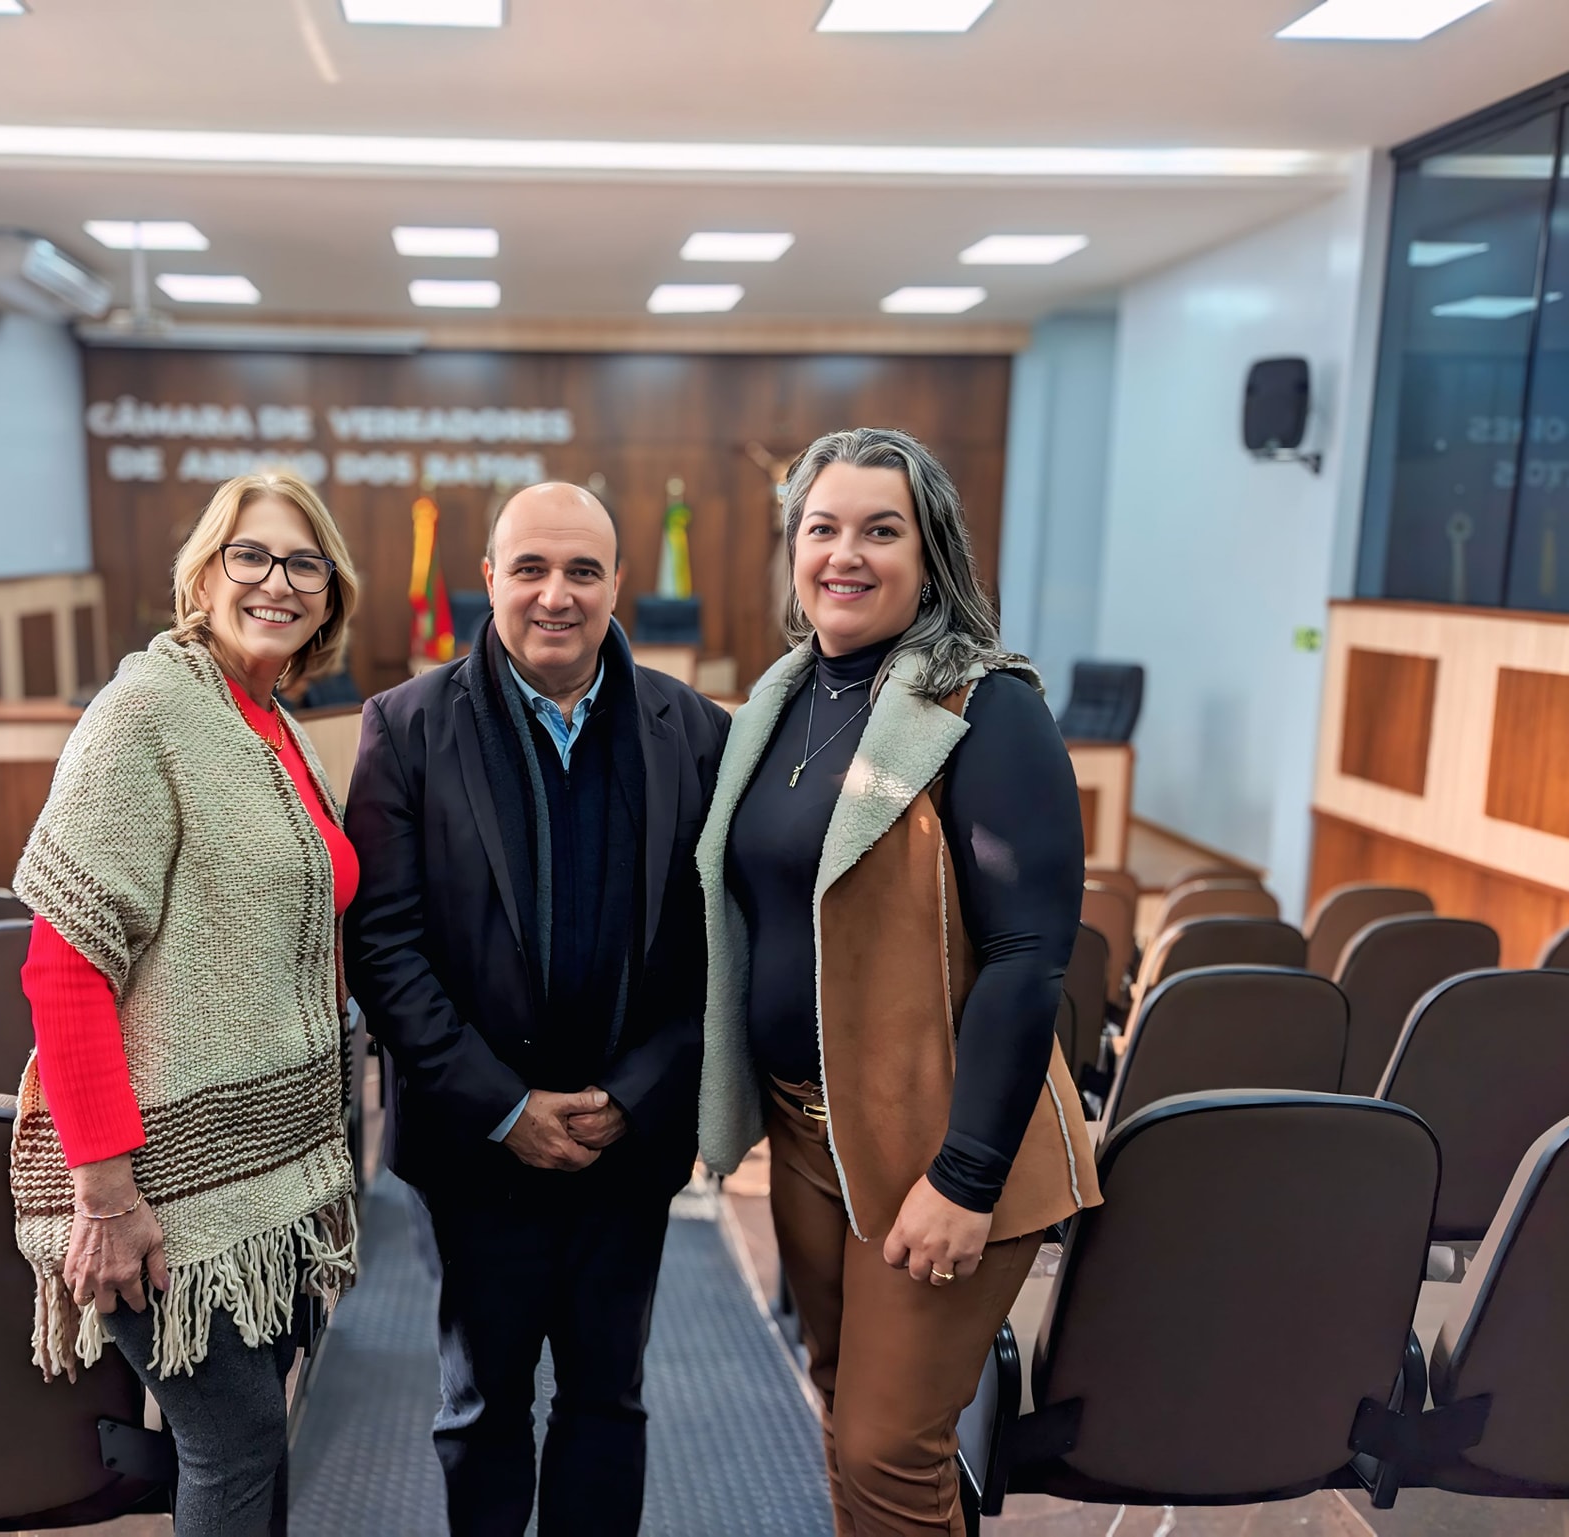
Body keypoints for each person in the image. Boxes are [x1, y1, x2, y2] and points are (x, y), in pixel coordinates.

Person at [697, 428, 1101, 1537]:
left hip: (941, 1140)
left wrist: (965, 1178)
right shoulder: (781, 700)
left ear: (931, 557)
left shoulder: (987, 709)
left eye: (881, 530)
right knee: (846, 1410)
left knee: (888, 1449)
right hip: (805, 1135)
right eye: (821, 528)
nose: (846, 553)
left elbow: (1029, 957)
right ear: (792, 549)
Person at [345, 481, 730, 1537]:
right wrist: (506, 1107)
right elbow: (383, 948)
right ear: (489, 579)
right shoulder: (406, 727)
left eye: (582, 571)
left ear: (617, 584)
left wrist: (634, 1093)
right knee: (482, 1409)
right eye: (530, 568)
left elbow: (719, 951)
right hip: (475, 1149)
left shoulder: (697, 731)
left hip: (627, 1146)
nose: (555, 594)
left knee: (608, 1402)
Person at [7, 471, 363, 1537]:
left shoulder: (268, 720)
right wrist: (106, 1195)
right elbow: (64, 968)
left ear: (329, 595)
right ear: (202, 575)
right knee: (233, 1442)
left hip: (268, 1170)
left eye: (304, 563)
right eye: (249, 555)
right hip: (163, 1189)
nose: (277, 581)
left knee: (260, 1438)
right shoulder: (145, 713)